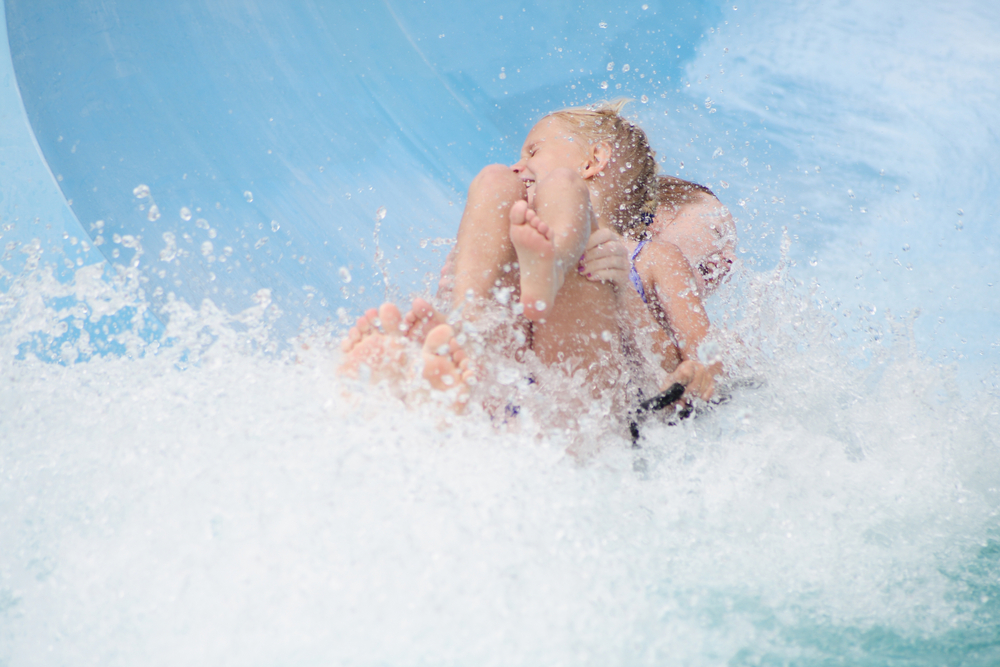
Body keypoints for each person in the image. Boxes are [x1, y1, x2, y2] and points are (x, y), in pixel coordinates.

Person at [341, 101, 726, 417]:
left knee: (562, 186)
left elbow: (705, 364)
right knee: (493, 181)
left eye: (533, 151)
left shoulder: (654, 258)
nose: (517, 164)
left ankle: (558, 264)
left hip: (584, 406)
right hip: (506, 388)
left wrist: (622, 289)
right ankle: (464, 336)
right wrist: (458, 286)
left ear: (594, 160)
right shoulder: (517, 234)